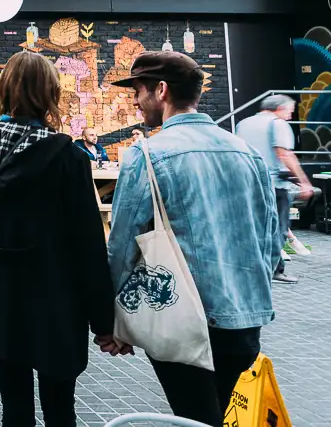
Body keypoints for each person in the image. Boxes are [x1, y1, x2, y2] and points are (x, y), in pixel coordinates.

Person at [108, 51, 278, 426]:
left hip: (184, 319)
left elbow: (122, 247)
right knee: (235, 418)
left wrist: (113, 322)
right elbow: (270, 241)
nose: (135, 101)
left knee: (196, 418)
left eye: (138, 90)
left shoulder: (148, 155)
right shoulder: (247, 152)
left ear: (161, 90)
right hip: (246, 317)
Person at [0, 50, 116, 427]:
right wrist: (103, 320)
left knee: (14, 404)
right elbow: (88, 244)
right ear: (50, 93)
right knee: (61, 408)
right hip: (56, 300)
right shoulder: (66, 156)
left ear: (4, 88)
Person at [236, 94, 314, 283]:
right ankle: (274, 271)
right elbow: (285, 154)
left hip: (248, 183)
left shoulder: (243, 124)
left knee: (255, 227)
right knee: (278, 227)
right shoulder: (277, 124)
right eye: (290, 110)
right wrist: (303, 181)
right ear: (279, 108)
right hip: (274, 185)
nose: (290, 115)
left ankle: (252, 268)